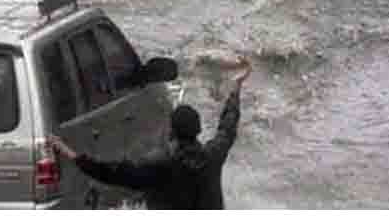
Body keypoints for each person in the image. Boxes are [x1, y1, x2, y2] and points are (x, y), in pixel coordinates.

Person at [49, 62, 251, 209]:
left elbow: (111, 173)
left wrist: (69, 152)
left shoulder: (159, 166)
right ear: (198, 130)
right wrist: (236, 88)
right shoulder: (213, 155)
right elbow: (227, 126)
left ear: (171, 132)